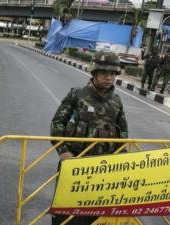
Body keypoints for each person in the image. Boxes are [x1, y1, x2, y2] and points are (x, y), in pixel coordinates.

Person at [50, 50, 128, 225]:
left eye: (112, 74)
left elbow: (123, 132)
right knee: (68, 215)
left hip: (104, 170)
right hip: (75, 165)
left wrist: (122, 161)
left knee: (98, 216)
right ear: (94, 73)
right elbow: (57, 123)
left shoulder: (116, 101)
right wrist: (63, 152)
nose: (109, 78)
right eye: (104, 73)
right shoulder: (77, 95)